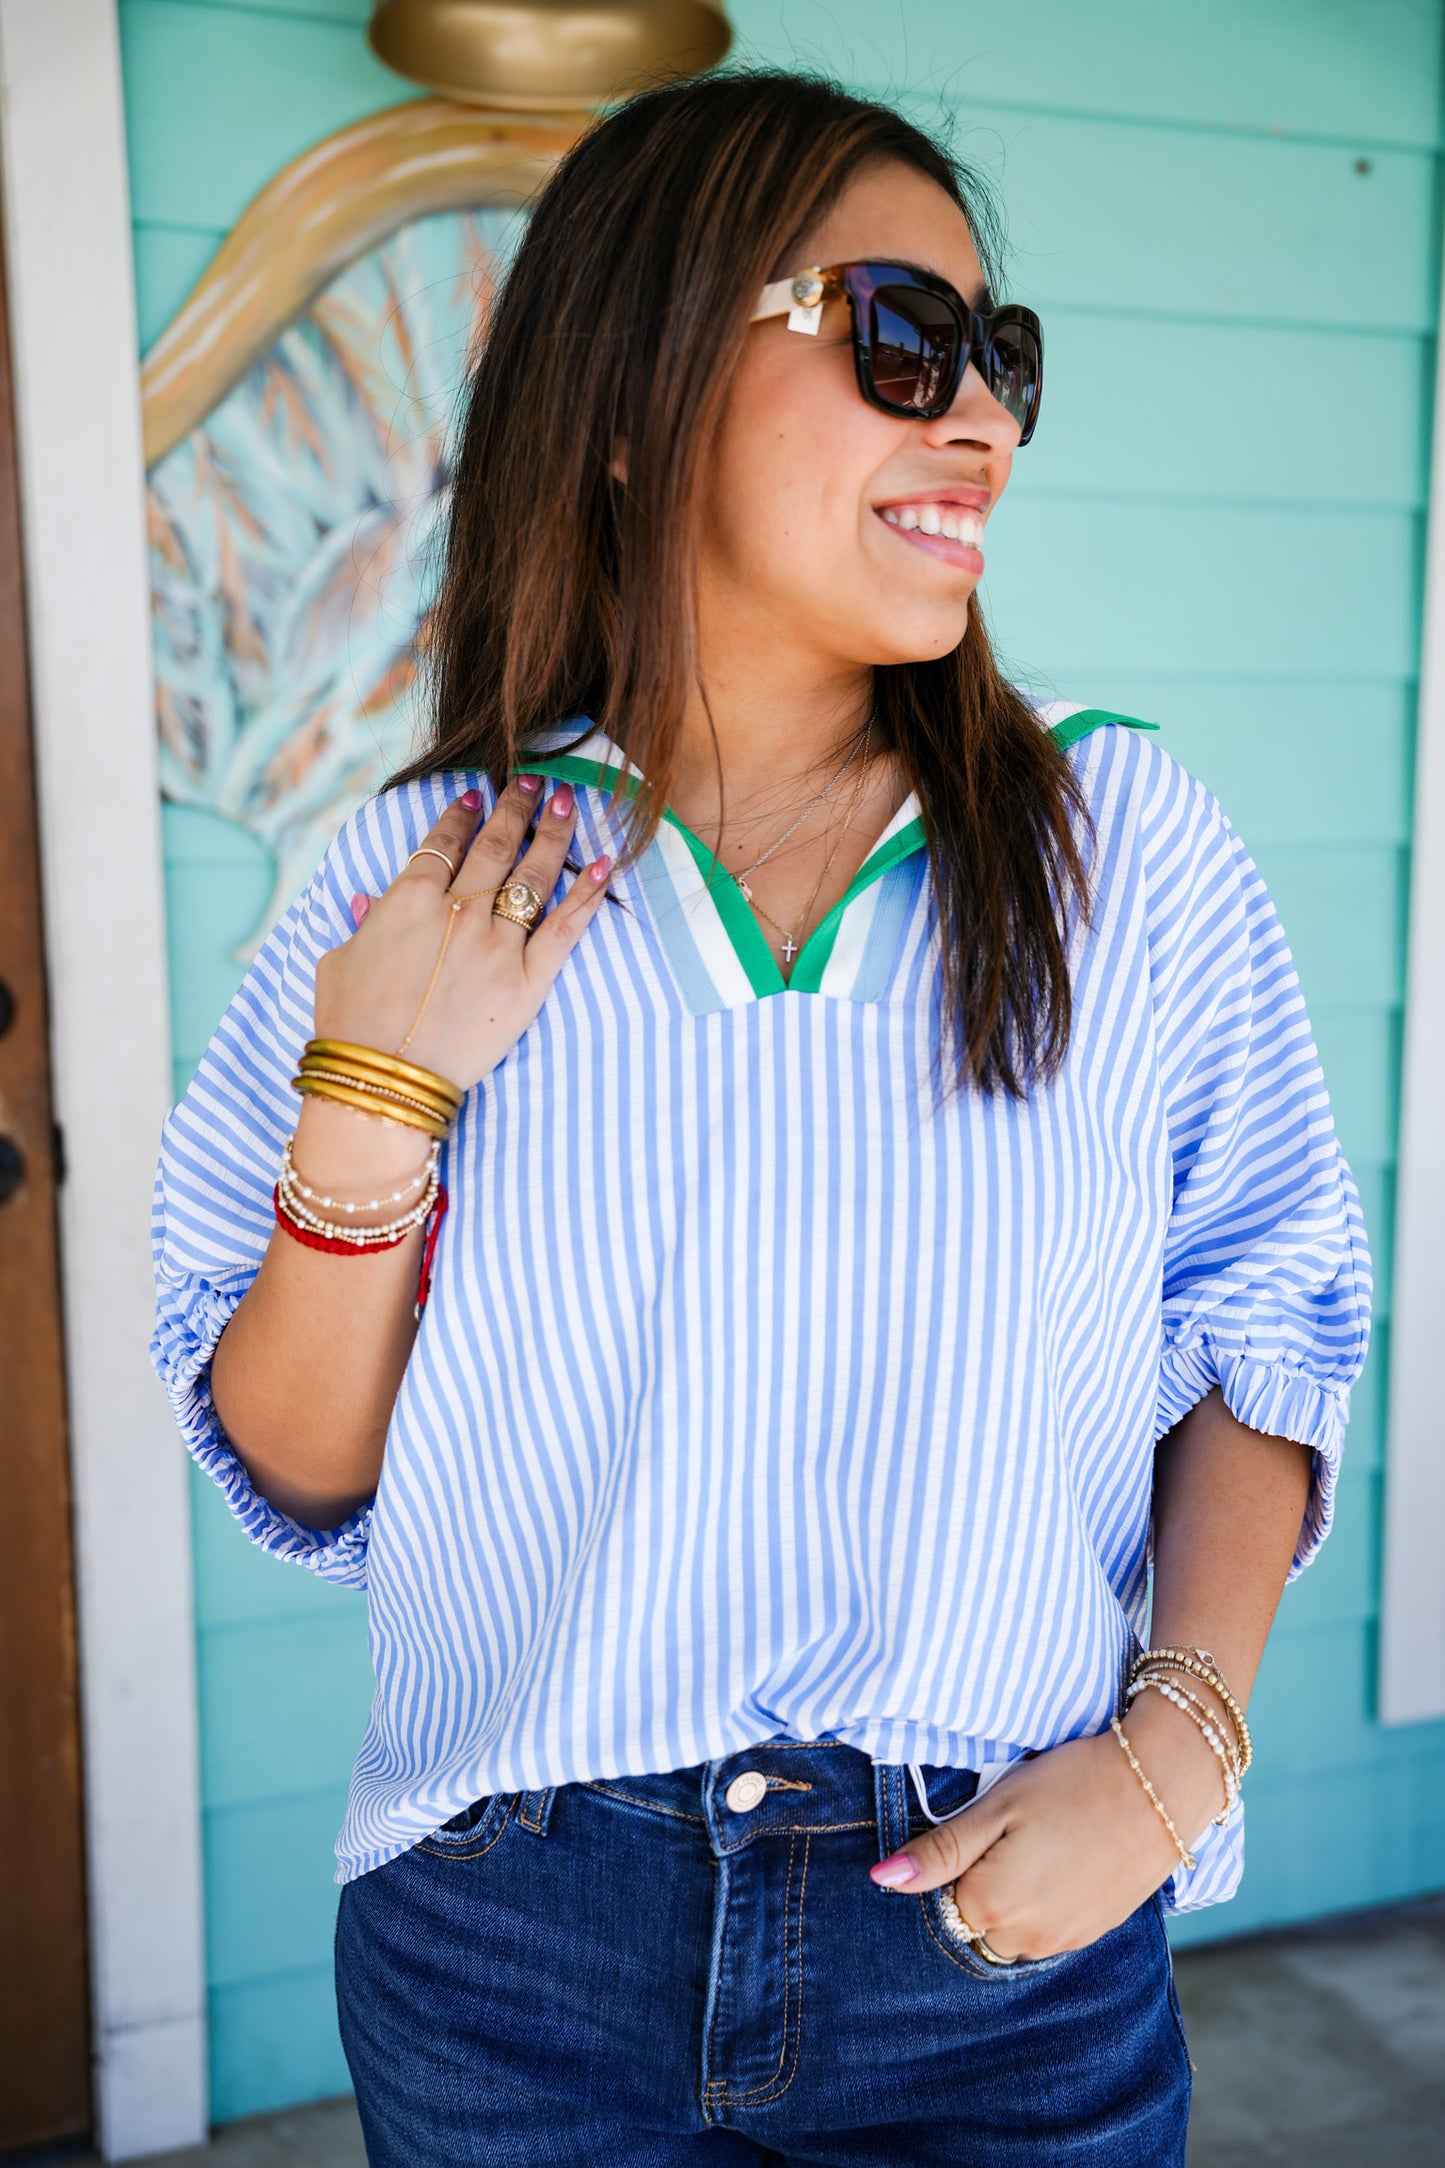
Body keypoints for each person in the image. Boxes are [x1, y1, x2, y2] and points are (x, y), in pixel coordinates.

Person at [151, 70, 1370, 2167]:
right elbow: (297, 1460)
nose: (979, 421)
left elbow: (1263, 1319)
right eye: (901, 337)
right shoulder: (425, 874)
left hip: (1000, 1938)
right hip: (509, 1955)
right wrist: (376, 1093)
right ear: (635, 390)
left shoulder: (1125, 846)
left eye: (1002, 358)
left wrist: (1174, 1757)